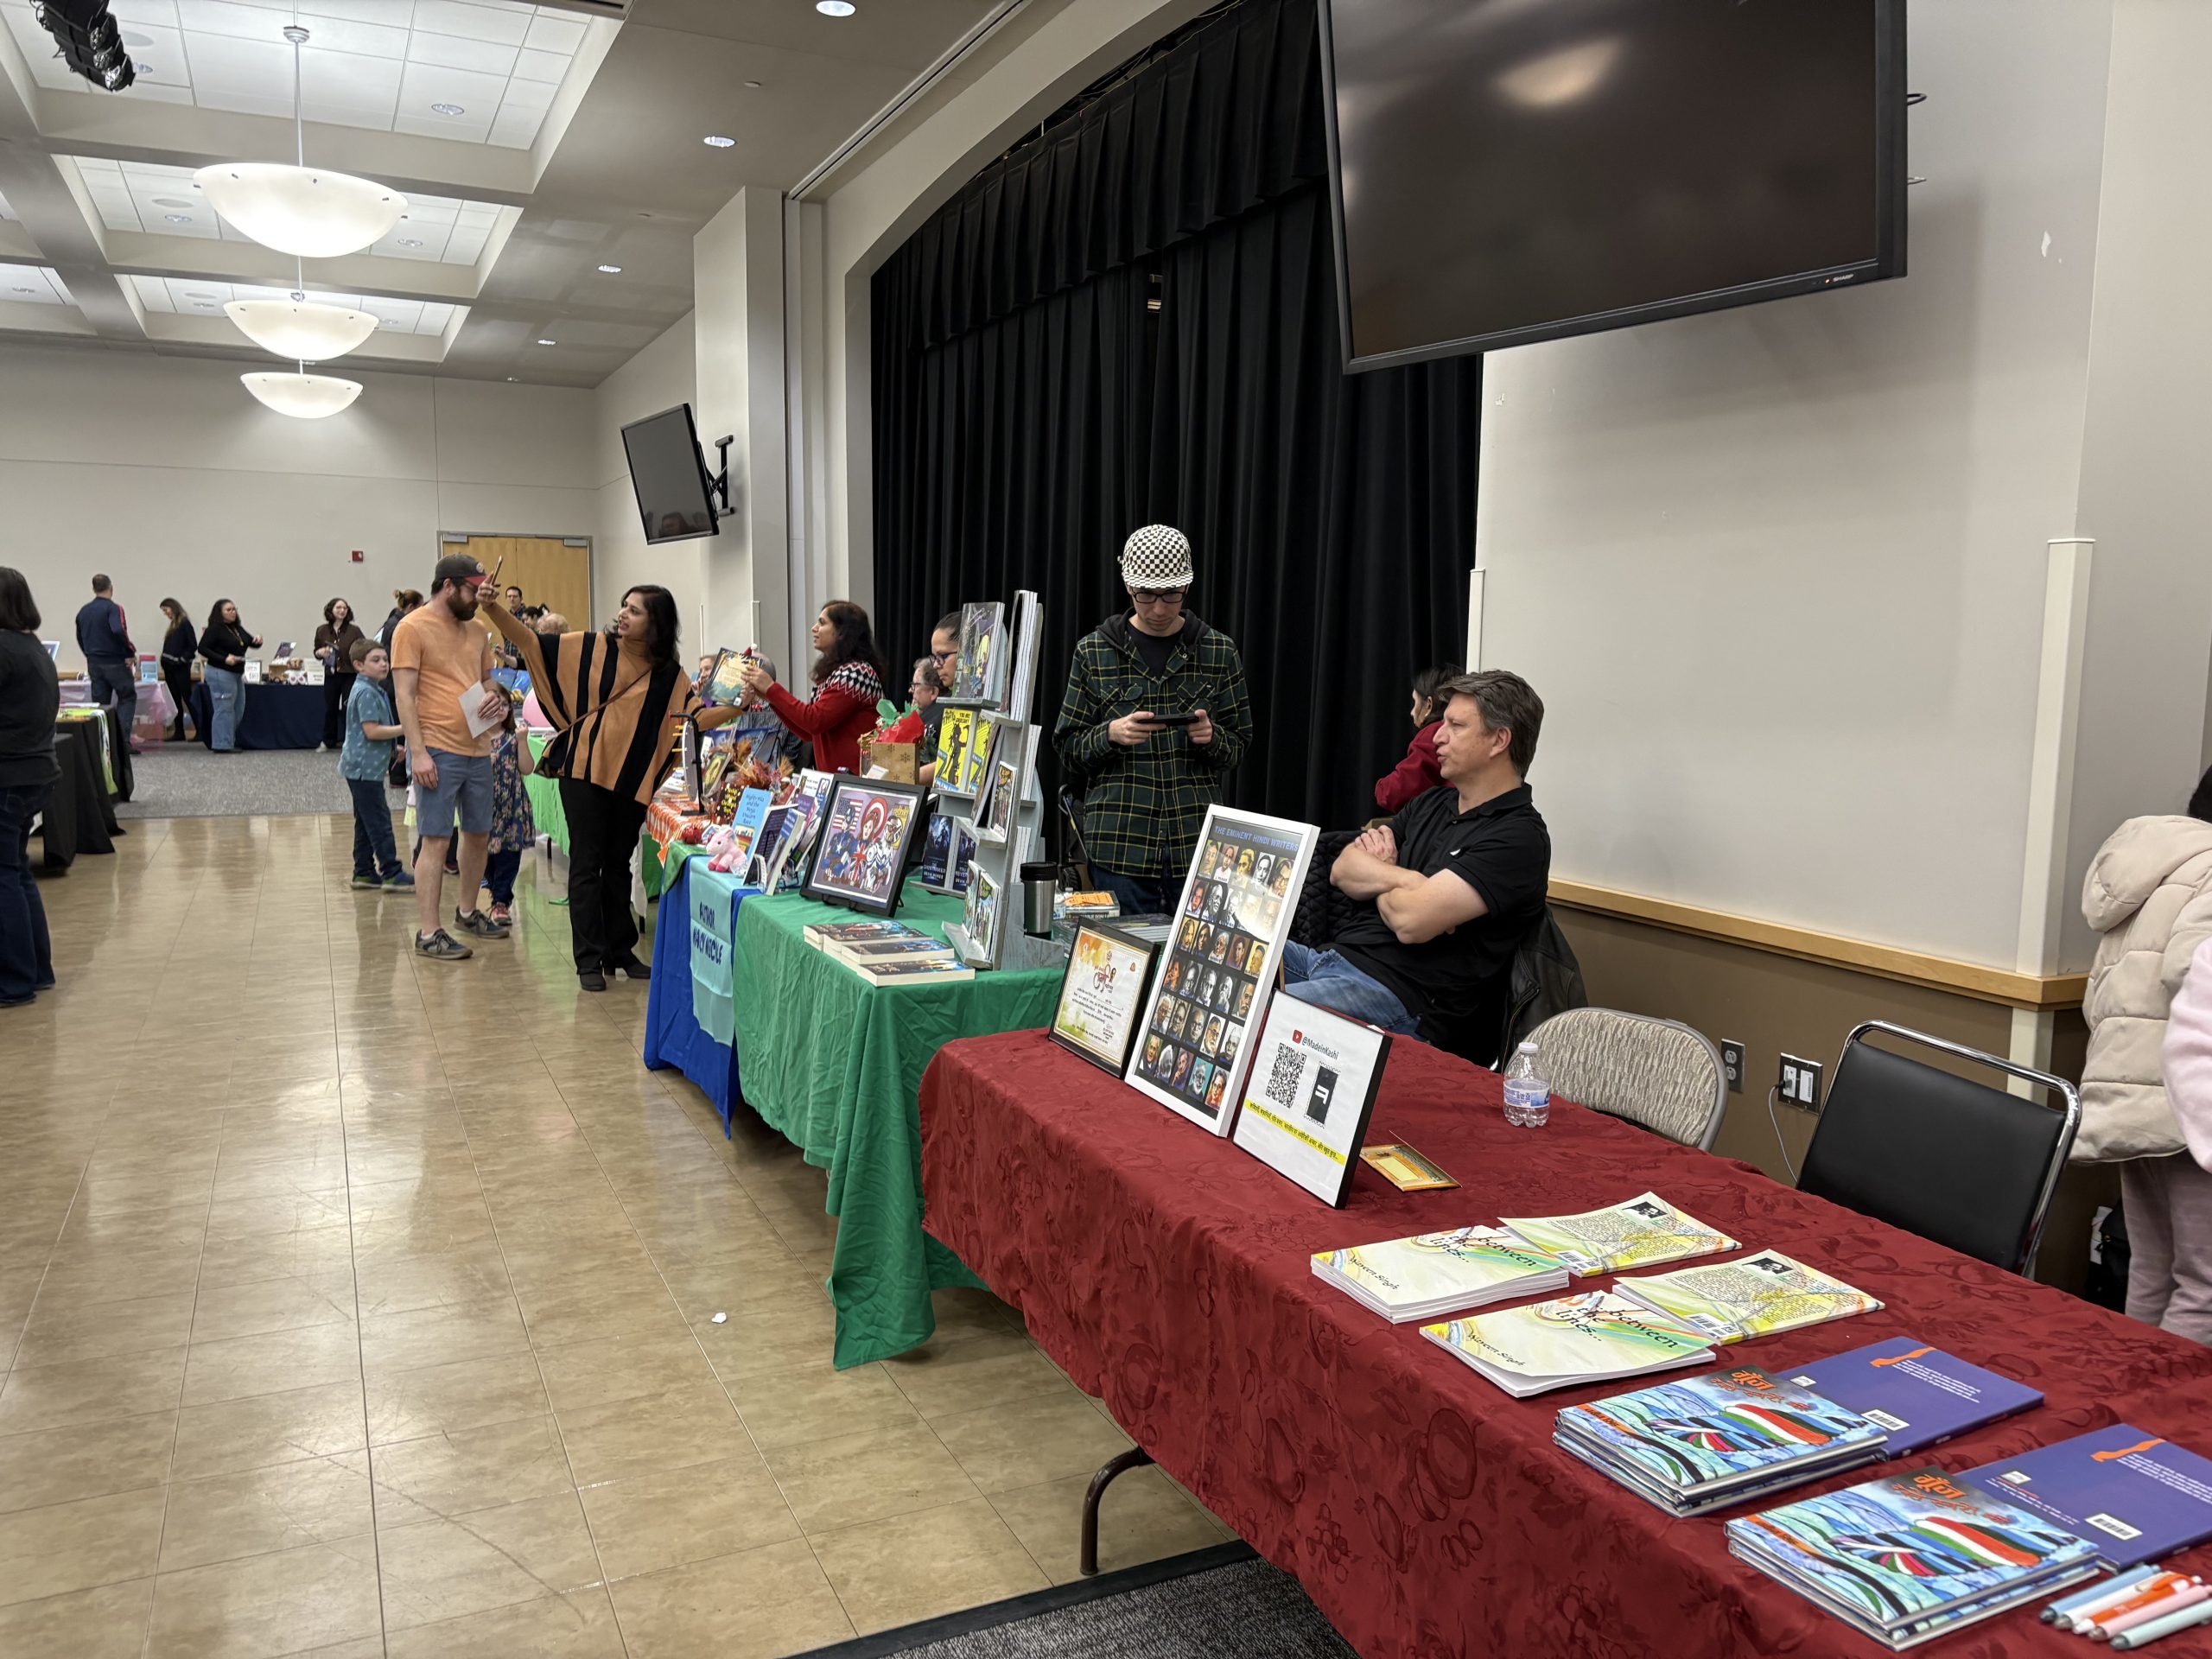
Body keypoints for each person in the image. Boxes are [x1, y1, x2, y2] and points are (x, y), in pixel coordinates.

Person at [486, 583, 740, 989]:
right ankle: (588, 960)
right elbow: (531, 644)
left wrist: (739, 704)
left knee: (619, 865)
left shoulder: (670, 674)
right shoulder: (591, 647)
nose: (623, 614)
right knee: (587, 864)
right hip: (583, 771)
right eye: (624, 606)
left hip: (632, 779)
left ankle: (620, 952)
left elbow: (693, 718)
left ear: (656, 622)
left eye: (635, 610)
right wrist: (493, 608)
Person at [1291, 671, 1550, 1062]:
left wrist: (1382, 875)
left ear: (1499, 740)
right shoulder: (1431, 804)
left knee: (1245, 1014)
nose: (1437, 737)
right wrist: (1409, 879)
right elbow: (1342, 868)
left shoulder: (1519, 838)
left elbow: (1410, 922)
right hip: (1327, 959)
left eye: (1456, 726)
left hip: (1399, 999)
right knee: (1210, 960)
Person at [2075, 769, 2212, 1344]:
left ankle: (2131, 1386)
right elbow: (2192, 972)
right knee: (2204, 1288)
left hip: (2125, 1093)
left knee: (2151, 1267)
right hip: (2189, 1107)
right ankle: (2167, 1399)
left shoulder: (2155, 865)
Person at [1053, 524, 1254, 915]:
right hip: (1120, 847)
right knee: (1126, 952)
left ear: (1188, 586)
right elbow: (1067, 747)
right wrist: (1110, 734)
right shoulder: (1094, 652)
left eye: (1171, 594)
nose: (1159, 608)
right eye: (1146, 595)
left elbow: (1239, 745)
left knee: (1193, 955)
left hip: (1196, 847)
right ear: (1128, 587)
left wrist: (1212, 737)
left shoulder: (1218, 651)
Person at [391, 554, 511, 962]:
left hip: (477, 747)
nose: (479, 598)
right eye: (473, 591)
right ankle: (429, 932)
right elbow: (404, 694)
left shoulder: (477, 630)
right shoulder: (411, 628)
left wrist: (496, 699)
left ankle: (467, 912)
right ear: (448, 586)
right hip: (436, 748)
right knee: (437, 839)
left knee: (478, 835)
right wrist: (418, 752)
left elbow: (485, 680)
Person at [738, 601, 890, 777]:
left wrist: (772, 689)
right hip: (839, 779)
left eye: (822, 623)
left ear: (842, 632)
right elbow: (810, 733)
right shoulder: (838, 673)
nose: (814, 628)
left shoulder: (857, 672)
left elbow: (814, 720)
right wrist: (769, 698)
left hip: (857, 782)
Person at [0, 568, 57, 1008]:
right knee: (16, 872)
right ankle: (36, 971)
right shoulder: (32, 646)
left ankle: (14, 982)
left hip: (9, 775)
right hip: (33, 772)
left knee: (5, 877)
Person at [340, 639, 411, 893]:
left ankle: (364, 872)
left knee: (365, 820)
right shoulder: (367, 692)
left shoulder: (372, 688)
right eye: (376, 660)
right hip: (364, 769)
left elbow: (374, 729)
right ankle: (392, 872)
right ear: (359, 665)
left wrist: (394, 748)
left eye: (385, 659)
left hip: (363, 768)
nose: (384, 664)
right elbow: (371, 731)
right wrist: (407, 728)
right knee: (379, 821)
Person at [1376, 663, 1461, 815]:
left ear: (1429, 705)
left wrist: (1380, 788)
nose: (1411, 712)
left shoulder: (1434, 733)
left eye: (1415, 702)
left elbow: (1397, 791)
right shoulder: (1462, 732)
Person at [482, 702, 537, 925]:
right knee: (486, 855)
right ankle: (494, 888)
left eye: (505, 704)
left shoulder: (514, 737)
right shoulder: (477, 740)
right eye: (494, 704)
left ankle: (501, 901)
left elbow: (527, 768)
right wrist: (483, 763)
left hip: (512, 806)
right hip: (485, 807)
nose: (500, 708)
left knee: (510, 854)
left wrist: (522, 741)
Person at [74, 574, 137, 750]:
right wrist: (130, 652)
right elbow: (118, 630)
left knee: (101, 704)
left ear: (93, 589)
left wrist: (89, 654)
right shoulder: (114, 608)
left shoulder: (84, 611)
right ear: (111, 588)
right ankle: (122, 743)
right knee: (127, 696)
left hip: (94, 662)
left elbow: (80, 636)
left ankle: (102, 744)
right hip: (114, 661)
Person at [198, 598, 261, 753]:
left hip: (236, 673)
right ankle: (221, 744)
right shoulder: (215, 629)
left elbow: (249, 642)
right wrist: (224, 659)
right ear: (220, 613)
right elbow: (202, 648)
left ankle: (227, 740)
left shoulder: (236, 628)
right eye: (229, 610)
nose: (233, 612)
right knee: (224, 708)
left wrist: (257, 641)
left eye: (234, 609)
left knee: (238, 708)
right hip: (220, 672)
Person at [314, 597, 364, 751]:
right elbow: (316, 650)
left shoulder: (354, 630)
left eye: (345, 608)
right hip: (331, 674)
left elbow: (363, 648)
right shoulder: (322, 630)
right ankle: (328, 740)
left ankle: (351, 740)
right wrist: (320, 653)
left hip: (349, 674)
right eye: (338, 608)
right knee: (331, 708)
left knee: (349, 707)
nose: (342, 611)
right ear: (331, 610)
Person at [157, 598, 196, 742]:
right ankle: (179, 731)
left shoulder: (184, 624)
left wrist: (181, 660)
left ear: (173, 608)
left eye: (166, 610)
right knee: (175, 700)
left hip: (180, 668)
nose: (166, 613)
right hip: (170, 668)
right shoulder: (174, 625)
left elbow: (192, 646)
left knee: (187, 698)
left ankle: (200, 729)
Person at [912, 657, 945, 787]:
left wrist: (905, 779)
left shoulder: (943, 716)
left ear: (933, 692)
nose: (911, 690)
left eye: (916, 685)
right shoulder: (928, 712)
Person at [376, 588, 422, 652]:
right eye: (420, 608)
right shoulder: (402, 625)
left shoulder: (393, 621)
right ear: (411, 607)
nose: (422, 612)